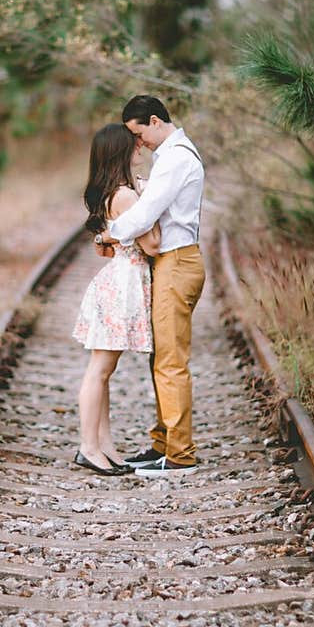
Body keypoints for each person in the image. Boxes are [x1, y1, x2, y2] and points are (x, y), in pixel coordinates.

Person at [96, 95, 205, 473]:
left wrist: (109, 234)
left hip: (177, 262)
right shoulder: (169, 157)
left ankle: (180, 456)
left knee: (171, 362)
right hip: (170, 264)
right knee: (161, 358)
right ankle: (164, 444)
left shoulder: (176, 158)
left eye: (137, 133)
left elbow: (144, 215)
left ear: (154, 121)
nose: (136, 143)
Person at [72, 123, 161, 476]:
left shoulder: (119, 191)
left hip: (118, 279)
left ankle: (104, 445)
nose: (139, 147)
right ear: (120, 152)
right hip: (122, 284)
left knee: (104, 371)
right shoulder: (125, 195)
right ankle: (88, 447)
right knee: (100, 370)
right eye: (133, 143)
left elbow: (108, 247)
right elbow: (151, 244)